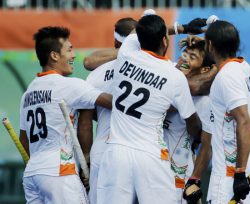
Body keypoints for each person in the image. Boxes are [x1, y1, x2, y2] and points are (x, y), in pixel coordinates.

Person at [97, 14, 202, 204]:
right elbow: (192, 122)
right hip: (150, 155)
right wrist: (199, 136)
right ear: (164, 40)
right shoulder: (174, 76)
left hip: (116, 153)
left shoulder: (125, 52)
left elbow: (134, 32)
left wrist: (178, 28)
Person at [19, 26, 111, 204]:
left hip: (32, 174)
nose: (73, 55)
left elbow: (24, 140)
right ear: (54, 55)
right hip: (60, 172)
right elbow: (113, 102)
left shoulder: (28, 93)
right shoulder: (68, 85)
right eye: (69, 50)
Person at [195, 20, 250, 203]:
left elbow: (245, 122)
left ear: (210, 45)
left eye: (206, 42)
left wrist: (239, 174)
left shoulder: (226, 77)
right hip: (248, 161)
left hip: (231, 170)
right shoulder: (243, 66)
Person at [77, 17, 137, 204]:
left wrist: (85, 156)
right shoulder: (150, 68)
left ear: (115, 43)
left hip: (103, 148)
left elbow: (85, 122)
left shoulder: (96, 73)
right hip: (138, 146)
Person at [163, 40, 214, 204]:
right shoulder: (166, 74)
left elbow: (206, 145)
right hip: (151, 166)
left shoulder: (205, 102)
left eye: (192, 57)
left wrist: (194, 180)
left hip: (179, 173)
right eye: (184, 54)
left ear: (205, 70)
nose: (185, 59)